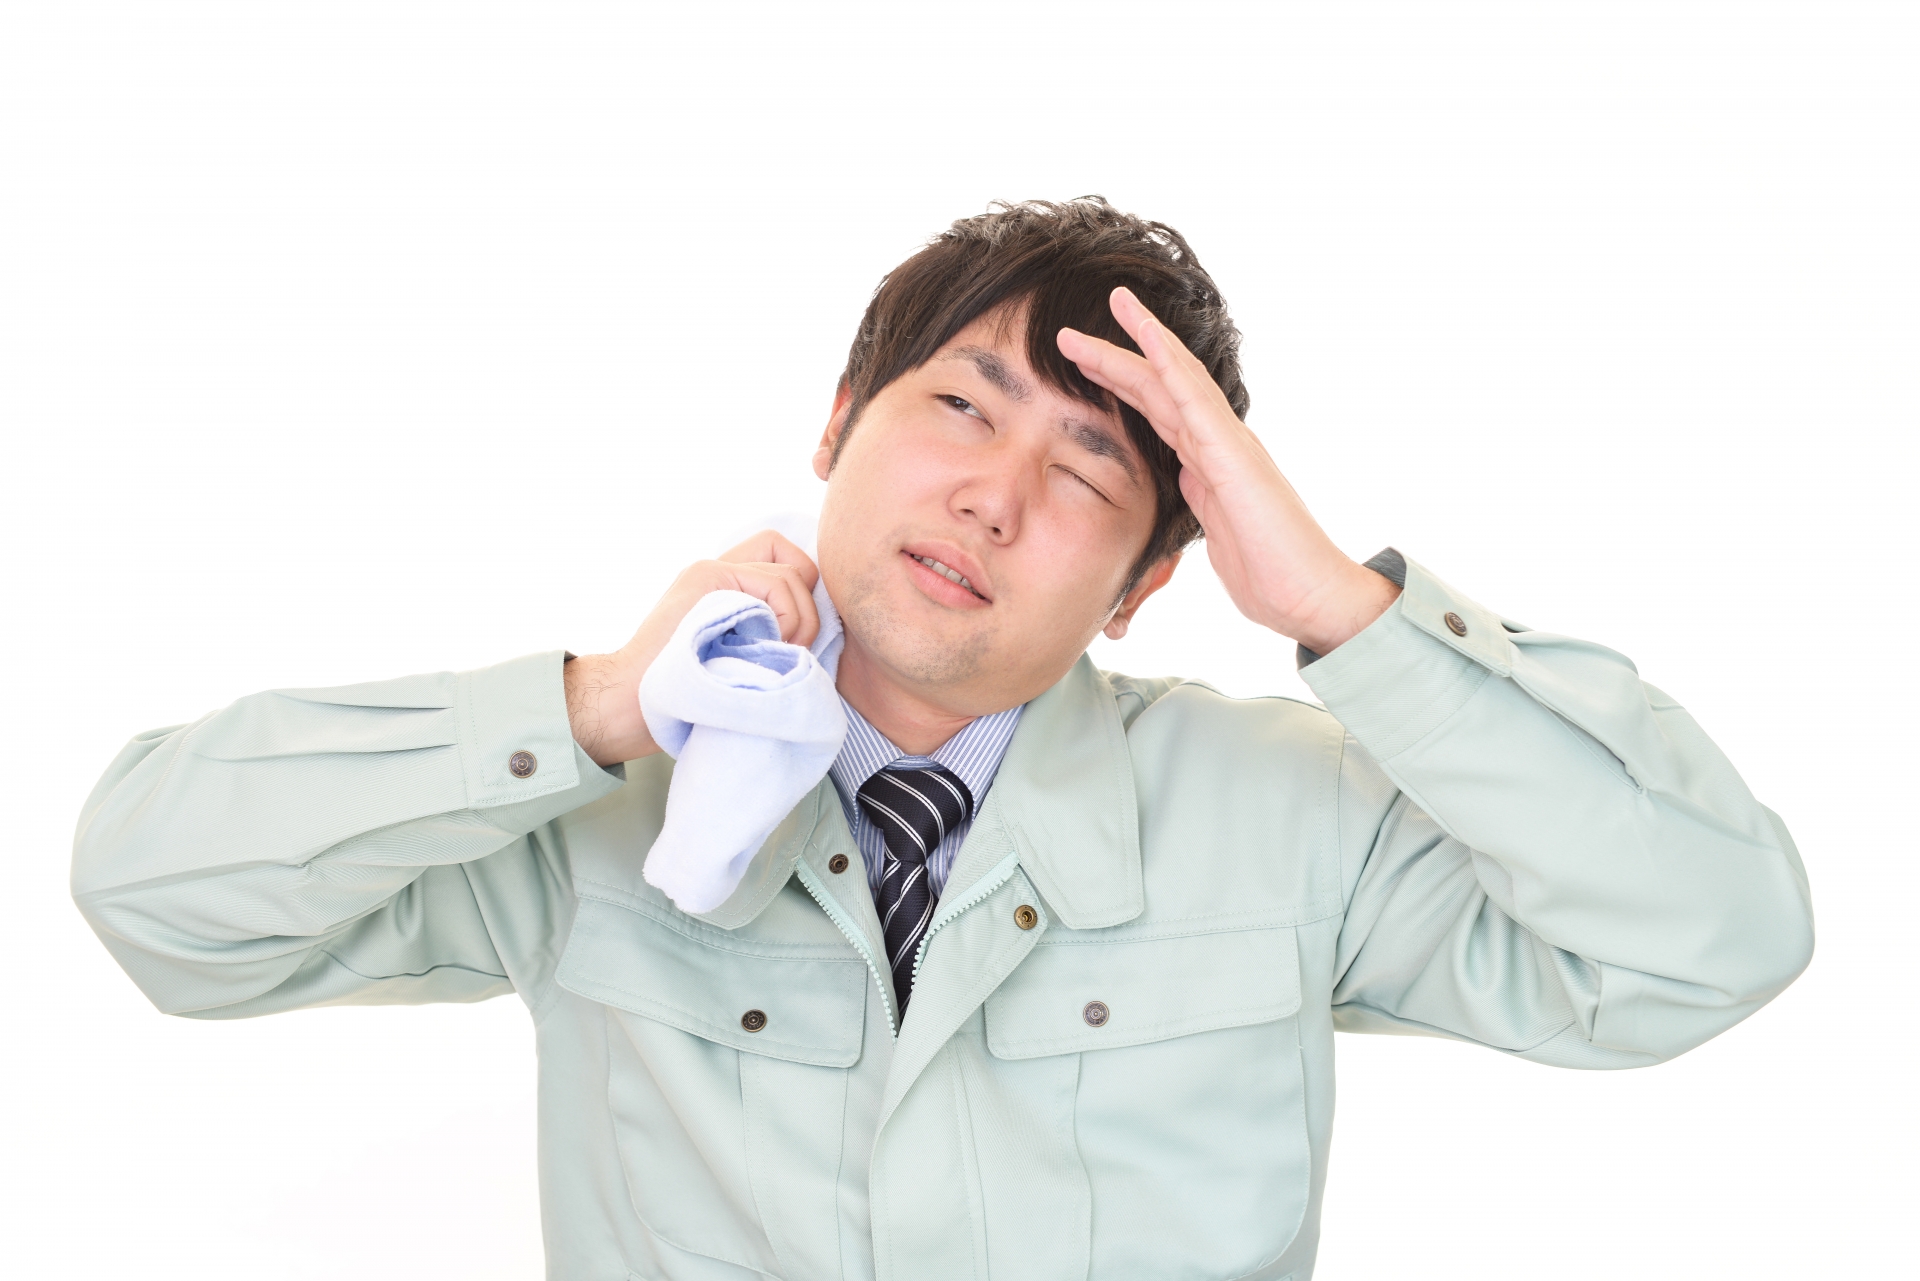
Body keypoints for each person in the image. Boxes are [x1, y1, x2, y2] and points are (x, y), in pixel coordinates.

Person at [71, 197, 1815, 1281]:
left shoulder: (1290, 813)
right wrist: (592, 707)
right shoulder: (607, 797)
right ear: (840, 423)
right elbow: (157, 895)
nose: (993, 492)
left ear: (1142, 585)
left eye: (1086, 469)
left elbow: (1712, 938)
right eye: (960, 406)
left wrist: (1345, 613)